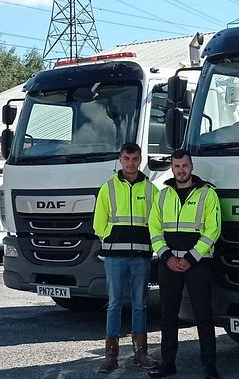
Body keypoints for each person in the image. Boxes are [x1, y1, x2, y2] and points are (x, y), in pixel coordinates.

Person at [148, 149, 222, 379]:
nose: (181, 170)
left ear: (192, 166)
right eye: (177, 166)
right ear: (172, 167)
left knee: (203, 315)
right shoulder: (162, 195)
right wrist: (166, 257)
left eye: (185, 165)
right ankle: (168, 363)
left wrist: (190, 258)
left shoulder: (208, 194)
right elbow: (154, 229)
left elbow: (213, 230)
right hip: (168, 264)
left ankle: (209, 366)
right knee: (168, 316)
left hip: (197, 264)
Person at [93, 142, 159, 373]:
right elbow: (99, 223)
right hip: (115, 257)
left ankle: (140, 353)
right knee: (114, 305)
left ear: (140, 160)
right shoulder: (108, 188)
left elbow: (157, 221)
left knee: (140, 305)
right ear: (120, 159)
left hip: (141, 255)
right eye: (126, 158)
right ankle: (111, 355)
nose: (130, 163)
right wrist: (109, 237)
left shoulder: (152, 189)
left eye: (135, 159)